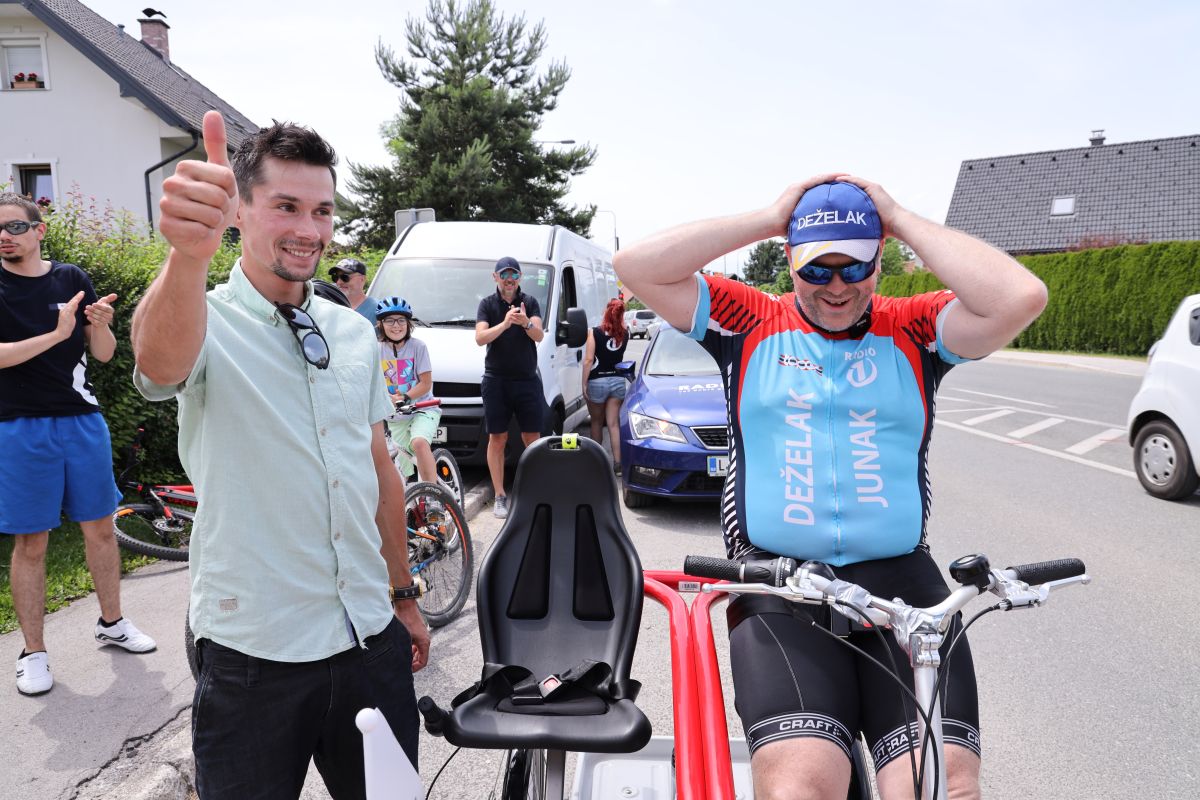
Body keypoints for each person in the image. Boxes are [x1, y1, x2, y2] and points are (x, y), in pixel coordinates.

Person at [614, 176, 1047, 800]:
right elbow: (636, 266)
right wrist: (771, 217)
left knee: (945, 786)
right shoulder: (748, 318)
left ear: (879, 260)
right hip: (782, 584)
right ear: (791, 262)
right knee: (801, 788)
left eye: (855, 266)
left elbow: (1021, 296)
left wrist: (898, 217)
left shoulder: (914, 326)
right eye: (817, 269)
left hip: (902, 583)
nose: (837, 286)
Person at [130, 111, 430, 800]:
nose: (309, 229)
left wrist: (403, 594)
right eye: (286, 206)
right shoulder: (205, 315)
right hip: (253, 657)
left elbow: (379, 470)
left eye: (321, 210)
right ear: (239, 210)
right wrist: (187, 255)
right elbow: (158, 362)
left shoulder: (350, 333)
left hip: (368, 639)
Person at [0, 192, 156, 697]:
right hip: (19, 427)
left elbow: (104, 355)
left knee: (102, 530)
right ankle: (34, 653)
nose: (4, 237)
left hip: (83, 422)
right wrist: (57, 332)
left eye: (14, 227)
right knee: (31, 543)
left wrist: (100, 328)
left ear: (38, 230)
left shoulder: (71, 279)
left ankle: (112, 623)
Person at [474, 256, 544, 518]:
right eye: (504, 274)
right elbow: (480, 338)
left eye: (514, 274)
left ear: (520, 277)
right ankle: (500, 496)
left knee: (532, 438)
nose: (509, 279)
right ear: (496, 277)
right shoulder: (487, 304)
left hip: (526, 380)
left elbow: (539, 335)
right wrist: (505, 323)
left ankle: (535, 492)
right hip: (496, 381)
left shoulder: (530, 302)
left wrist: (525, 322)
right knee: (498, 438)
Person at [376, 296, 440, 485]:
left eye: (401, 320)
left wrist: (405, 396)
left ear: (408, 323)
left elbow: (426, 383)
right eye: (389, 320)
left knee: (419, 443)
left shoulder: (418, 347)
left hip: (422, 409)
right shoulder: (375, 350)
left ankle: (433, 494)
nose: (396, 325)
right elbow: (372, 383)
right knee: (399, 473)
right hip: (394, 417)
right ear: (381, 324)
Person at [582, 298, 629, 475]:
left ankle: (596, 464)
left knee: (596, 421)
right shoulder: (625, 334)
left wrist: (584, 383)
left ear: (606, 312)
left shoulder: (594, 333)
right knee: (613, 424)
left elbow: (588, 360)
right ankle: (618, 464)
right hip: (617, 380)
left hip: (597, 381)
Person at [328, 257, 376, 325]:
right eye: (335, 277)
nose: (339, 282)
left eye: (345, 277)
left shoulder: (377, 310)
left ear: (362, 279)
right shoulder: (329, 305)